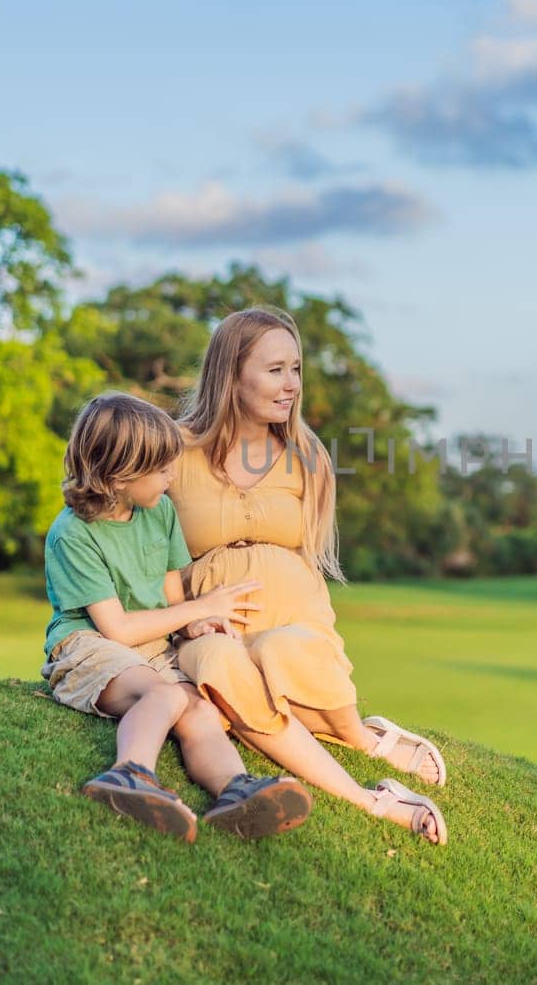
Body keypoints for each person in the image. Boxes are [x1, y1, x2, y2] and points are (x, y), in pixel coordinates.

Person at [165, 306, 448, 841]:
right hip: (209, 623)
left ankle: (360, 737)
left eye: (296, 369)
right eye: (275, 370)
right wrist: (188, 621)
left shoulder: (306, 456)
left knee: (281, 651)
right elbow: (152, 559)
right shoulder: (174, 451)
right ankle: (369, 792)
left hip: (296, 616)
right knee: (223, 665)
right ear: (231, 373)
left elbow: (310, 558)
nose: (292, 384)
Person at [40, 391, 314, 841]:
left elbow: (170, 597)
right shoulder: (72, 534)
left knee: (199, 711)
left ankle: (235, 791)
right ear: (122, 475)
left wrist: (194, 622)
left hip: (148, 647)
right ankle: (128, 775)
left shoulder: (159, 511)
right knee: (165, 697)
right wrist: (202, 606)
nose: (172, 475)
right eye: (162, 468)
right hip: (87, 647)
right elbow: (117, 629)